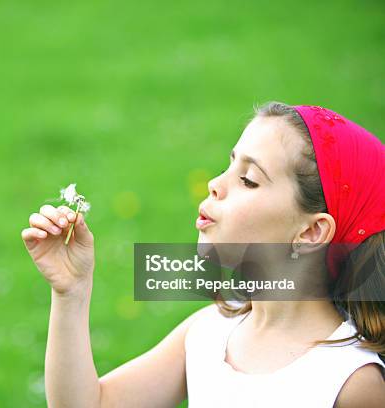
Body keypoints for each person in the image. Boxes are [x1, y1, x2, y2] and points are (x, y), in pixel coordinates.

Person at [21, 101, 385, 407]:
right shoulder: (209, 332)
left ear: (310, 232)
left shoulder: (351, 382)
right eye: (229, 165)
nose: (215, 184)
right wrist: (71, 291)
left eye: (248, 180)